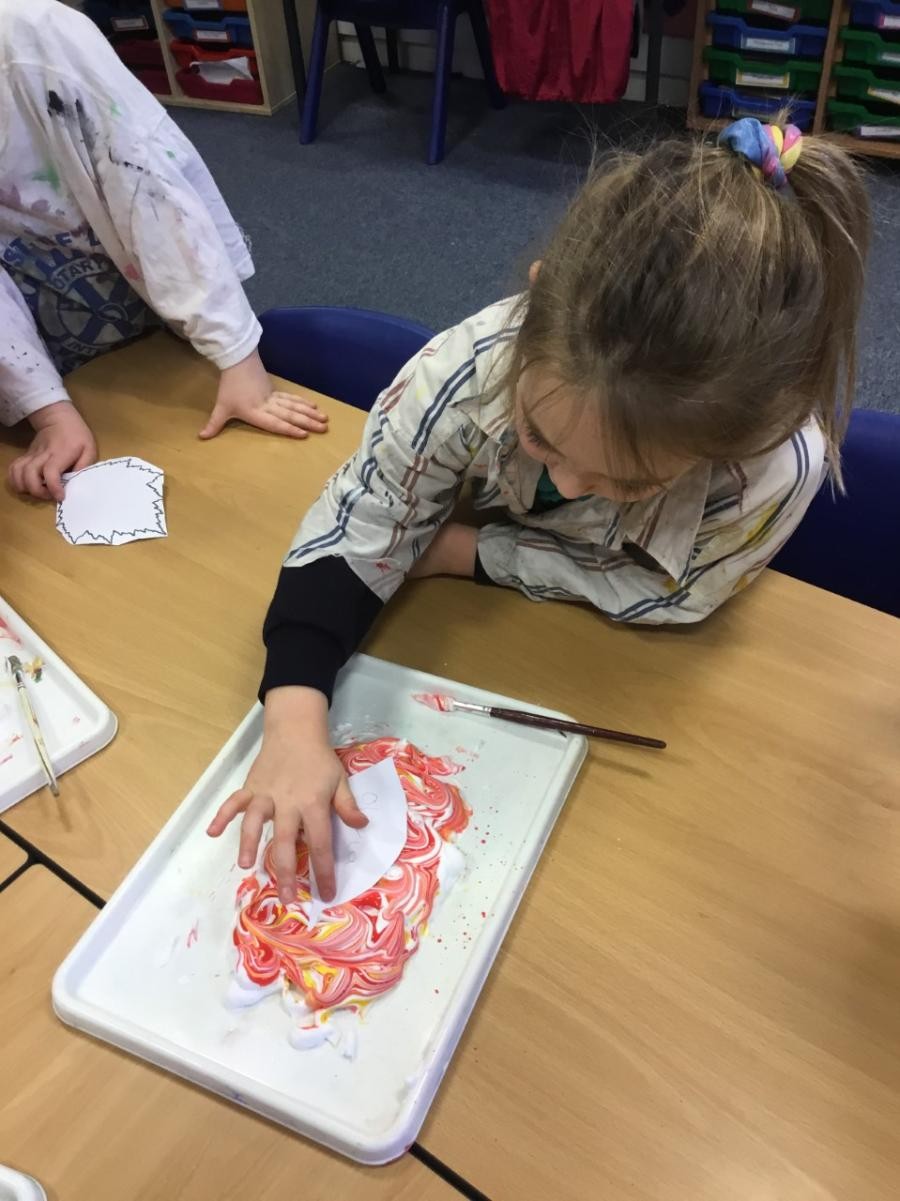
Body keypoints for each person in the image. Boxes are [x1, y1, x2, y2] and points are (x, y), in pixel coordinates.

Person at [208, 118, 870, 904]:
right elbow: (365, 518)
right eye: (540, 438)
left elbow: (671, 594)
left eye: (631, 482)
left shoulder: (771, 466)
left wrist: (468, 554)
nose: (575, 482)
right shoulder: (475, 363)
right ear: (534, 298)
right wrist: (290, 722)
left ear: (727, 446)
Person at [0, 0, 326, 502]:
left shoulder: (35, 37)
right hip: (46, 339)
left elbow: (149, 191)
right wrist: (48, 411)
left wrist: (237, 357)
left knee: (210, 462)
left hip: (146, 294)